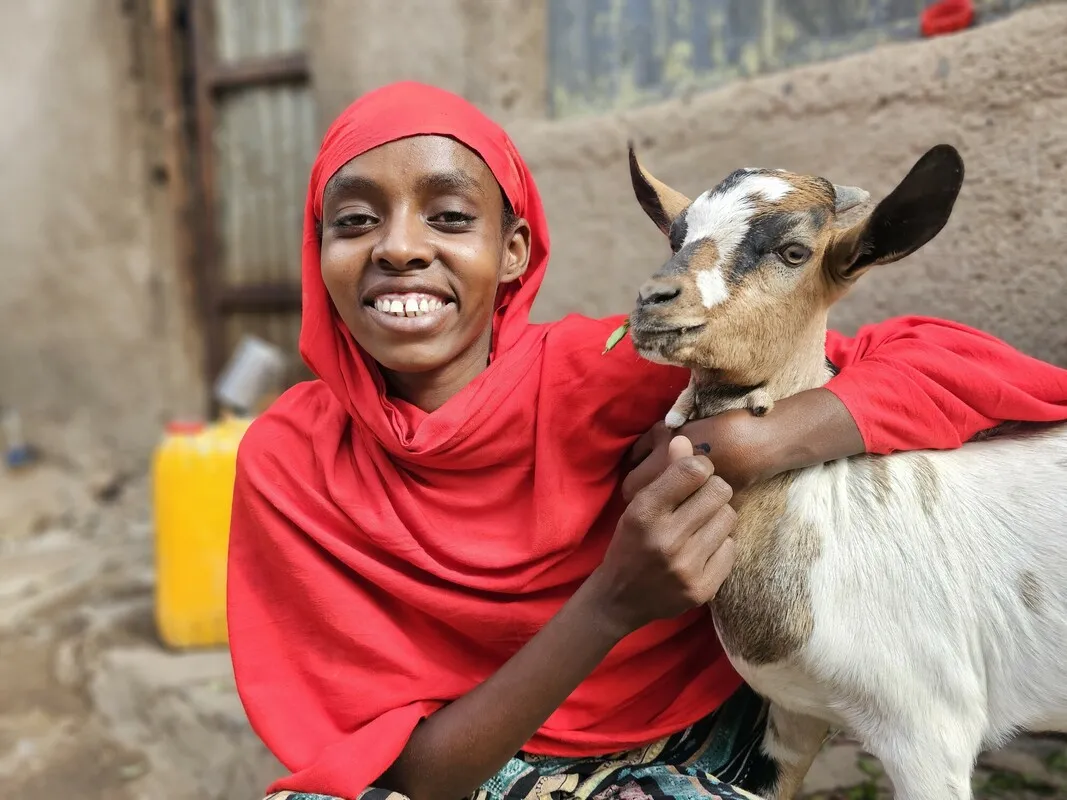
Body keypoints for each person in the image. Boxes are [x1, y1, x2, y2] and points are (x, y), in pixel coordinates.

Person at [227, 81, 1067, 800]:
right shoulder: (290, 463)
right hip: (477, 769)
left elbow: (945, 363)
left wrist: (743, 445)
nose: (401, 248)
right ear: (319, 252)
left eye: (448, 216)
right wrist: (610, 602)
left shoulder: (612, 371)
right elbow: (415, 777)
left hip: (702, 732)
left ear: (512, 251)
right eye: (354, 222)